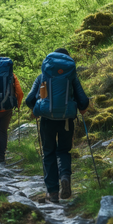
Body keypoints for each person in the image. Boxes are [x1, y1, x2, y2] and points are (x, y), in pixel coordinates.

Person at [26, 48, 89, 203]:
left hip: (47, 120)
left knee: (48, 153)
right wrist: (81, 108)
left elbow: (29, 99)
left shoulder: (43, 76)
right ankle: (65, 177)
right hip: (66, 121)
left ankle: (53, 193)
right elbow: (83, 101)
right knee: (63, 151)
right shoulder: (71, 76)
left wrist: (37, 109)